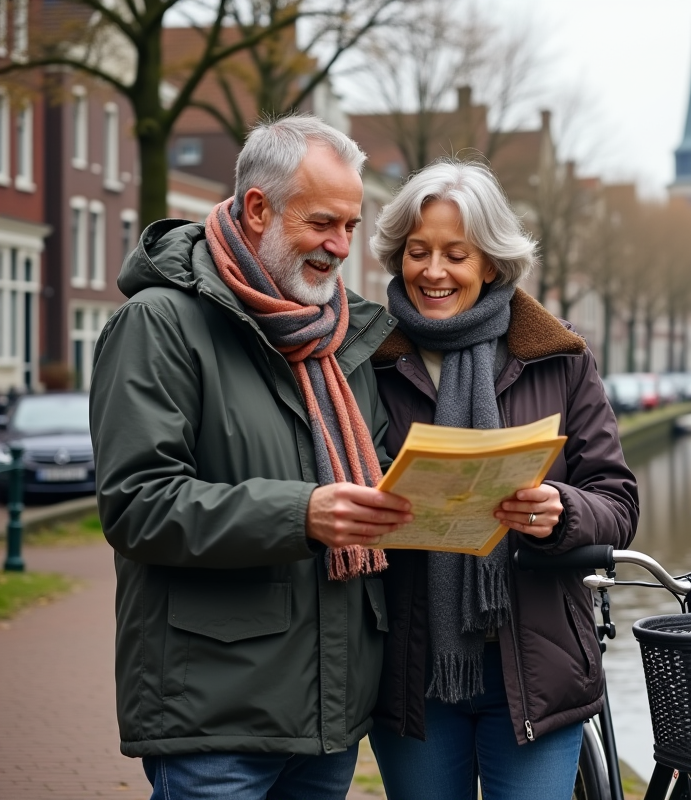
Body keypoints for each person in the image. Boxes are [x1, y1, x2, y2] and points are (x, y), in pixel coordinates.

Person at [89, 115, 413, 800]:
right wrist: (303, 514)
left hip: (327, 719)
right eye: (324, 223)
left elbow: (379, 478)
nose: (340, 247)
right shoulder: (159, 323)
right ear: (259, 208)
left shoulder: (339, 338)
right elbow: (138, 504)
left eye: (352, 228)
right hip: (215, 713)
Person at [366, 158, 639, 800]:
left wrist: (561, 512)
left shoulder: (560, 359)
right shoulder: (368, 359)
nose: (432, 272)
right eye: (417, 251)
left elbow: (617, 500)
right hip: (413, 668)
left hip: (538, 664)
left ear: (490, 262)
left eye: (455, 254)